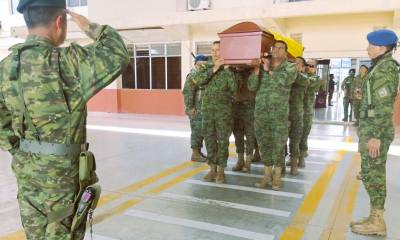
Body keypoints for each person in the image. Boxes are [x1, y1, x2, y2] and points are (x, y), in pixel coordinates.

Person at [0, 1, 129, 239]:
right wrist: (91, 27)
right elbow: (117, 54)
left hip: (27, 171)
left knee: (36, 232)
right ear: (59, 22)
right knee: (64, 230)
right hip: (63, 178)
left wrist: (18, 149)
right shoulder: (69, 62)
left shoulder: (6, 68)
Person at [350, 29, 399, 237]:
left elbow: (385, 105)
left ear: (381, 47)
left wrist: (376, 136)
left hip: (375, 130)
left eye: (370, 45)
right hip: (371, 127)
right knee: (370, 173)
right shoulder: (379, 66)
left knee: (374, 175)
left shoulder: (385, 69)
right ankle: (373, 216)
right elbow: (376, 100)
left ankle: (378, 222)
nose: (367, 48)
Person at [248, 41, 297, 190]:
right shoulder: (262, 67)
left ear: (286, 52)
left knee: (278, 145)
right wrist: (257, 71)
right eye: (274, 47)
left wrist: (269, 69)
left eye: (280, 48)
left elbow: (285, 81)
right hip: (261, 113)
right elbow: (251, 86)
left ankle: (277, 176)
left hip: (279, 115)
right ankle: (267, 175)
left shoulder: (290, 67)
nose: (275, 50)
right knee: (264, 144)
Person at [192, 41, 237, 184]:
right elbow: (197, 81)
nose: (214, 52)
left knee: (223, 142)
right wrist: (215, 69)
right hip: (207, 111)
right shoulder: (206, 67)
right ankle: (212, 169)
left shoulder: (230, 69)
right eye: (212, 50)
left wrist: (227, 70)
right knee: (210, 140)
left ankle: (221, 171)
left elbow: (234, 87)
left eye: (217, 50)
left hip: (223, 112)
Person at [182, 55, 209, 162]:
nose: (204, 66)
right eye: (202, 64)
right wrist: (190, 108)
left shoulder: (202, 75)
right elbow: (188, 93)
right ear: (197, 63)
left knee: (201, 131)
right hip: (196, 109)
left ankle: (198, 152)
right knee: (197, 131)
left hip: (202, 109)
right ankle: (195, 154)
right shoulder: (193, 75)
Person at [287, 57, 309, 175]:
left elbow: (301, 80)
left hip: (297, 113)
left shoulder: (304, 78)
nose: (295, 64)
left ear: (303, 66)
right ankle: (282, 164)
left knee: (295, 139)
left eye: (298, 63)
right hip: (284, 111)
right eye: (293, 62)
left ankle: (294, 164)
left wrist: (293, 70)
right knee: (281, 139)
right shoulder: (287, 75)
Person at [231, 66, 256, 172]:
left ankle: (248, 161)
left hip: (250, 105)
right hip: (236, 105)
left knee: (250, 134)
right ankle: (240, 160)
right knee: (237, 134)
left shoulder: (252, 70)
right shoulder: (232, 72)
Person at [298, 59, 321, 167]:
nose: (309, 67)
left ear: (315, 68)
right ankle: (293, 156)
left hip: (306, 112)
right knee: (294, 136)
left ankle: (301, 158)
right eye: (307, 65)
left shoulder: (316, 78)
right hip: (295, 110)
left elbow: (308, 84)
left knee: (303, 136)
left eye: (311, 66)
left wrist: (304, 73)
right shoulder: (299, 75)